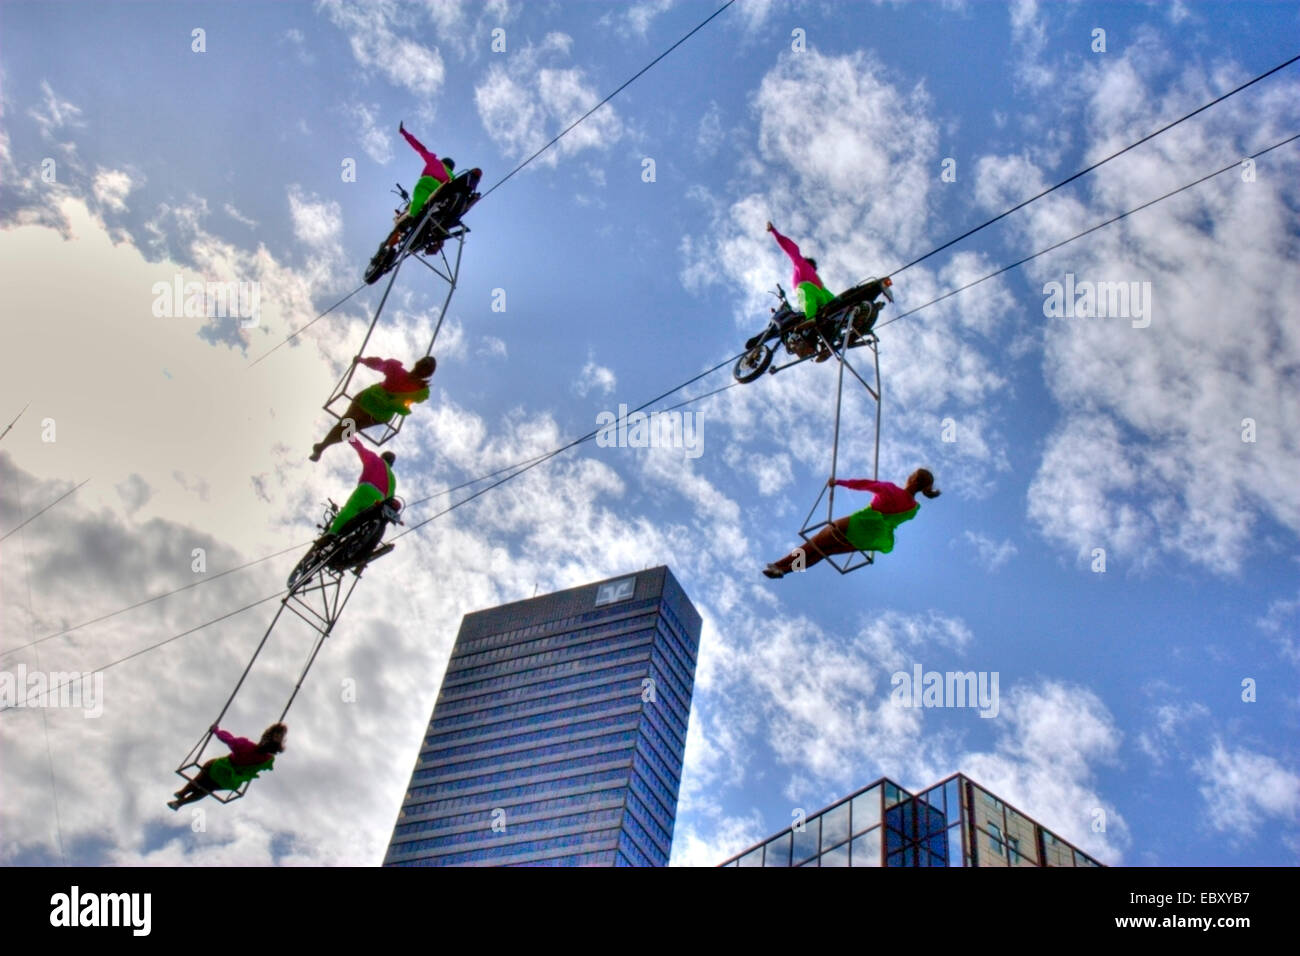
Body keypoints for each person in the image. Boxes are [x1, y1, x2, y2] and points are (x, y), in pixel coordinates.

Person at [764, 469, 940, 578]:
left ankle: (779, 565)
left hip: (858, 524)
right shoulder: (913, 510)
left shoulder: (890, 489)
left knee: (814, 544)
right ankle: (784, 571)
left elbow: (863, 484)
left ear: (912, 480)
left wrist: (838, 482)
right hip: (868, 539)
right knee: (825, 552)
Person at [311, 355, 435, 461]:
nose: (422, 371)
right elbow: (379, 364)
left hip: (379, 411)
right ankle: (322, 447)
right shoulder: (398, 371)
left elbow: (380, 365)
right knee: (347, 423)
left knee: (348, 427)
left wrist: (363, 360)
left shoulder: (420, 389)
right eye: (423, 367)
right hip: (370, 401)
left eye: (426, 369)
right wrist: (363, 360)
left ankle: (322, 447)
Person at [751, 220, 838, 361]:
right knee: (827, 312)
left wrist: (774, 232)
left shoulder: (801, 264)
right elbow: (828, 296)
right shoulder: (818, 280)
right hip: (822, 294)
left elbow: (790, 248)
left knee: (806, 300)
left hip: (805, 288)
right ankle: (827, 342)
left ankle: (810, 322)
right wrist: (840, 303)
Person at [168, 723, 287, 809]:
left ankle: (183, 792)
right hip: (230, 781)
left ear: (264, 736)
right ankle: (179, 803)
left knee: (205, 772)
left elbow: (227, 739)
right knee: (207, 788)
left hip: (218, 769)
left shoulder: (244, 745)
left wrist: (216, 730)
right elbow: (264, 762)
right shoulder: (268, 760)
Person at [387, 121, 455, 245]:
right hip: (438, 196)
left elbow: (420, 148)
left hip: (425, 186)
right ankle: (412, 217)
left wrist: (404, 133)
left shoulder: (435, 162)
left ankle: (409, 216)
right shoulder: (452, 176)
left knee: (418, 201)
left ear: (443, 161)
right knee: (424, 203)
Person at [325, 438, 396, 540]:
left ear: (382, 456)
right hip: (379, 500)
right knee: (362, 520)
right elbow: (391, 496)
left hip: (365, 489)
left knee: (350, 509)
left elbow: (360, 448)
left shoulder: (375, 459)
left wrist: (349, 433)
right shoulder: (393, 479)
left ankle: (332, 533)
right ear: (392, 464)